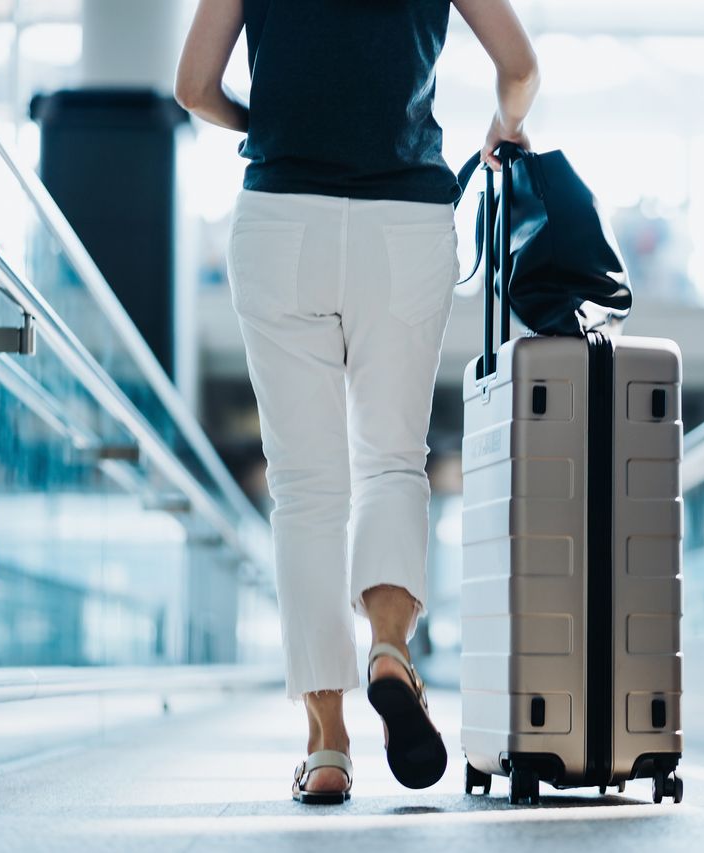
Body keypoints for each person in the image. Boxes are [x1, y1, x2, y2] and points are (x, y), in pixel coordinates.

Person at [175, 0, 539, 804]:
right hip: (405, 222)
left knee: (306, 491)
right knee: (391, 462)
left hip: (280, 217)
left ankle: (328, 742)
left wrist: (260, 121)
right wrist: (500, 128)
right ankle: (386, 647)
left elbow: (194, 85)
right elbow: (518, 66)